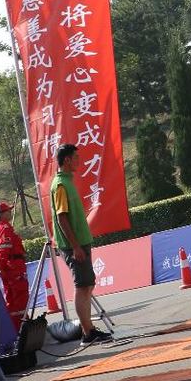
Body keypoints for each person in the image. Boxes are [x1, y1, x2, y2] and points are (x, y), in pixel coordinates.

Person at [50, 144, 112, 348]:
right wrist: (75, 246)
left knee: (88, 285)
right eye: (76, 157)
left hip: (81, 242)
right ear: (67, 160)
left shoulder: (67, 182)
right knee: (82, 286)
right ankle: (88, 333)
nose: (79, 160)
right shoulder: (60, 184)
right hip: (73, 245)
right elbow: (62, 218)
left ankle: (89, 330)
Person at [0, 201, 29, 330]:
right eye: (8, 210)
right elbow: (4, 251)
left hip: (9, 269)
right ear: (1, 214)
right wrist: (8, 268)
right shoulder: (5, 228)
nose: (10, 212)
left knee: (12, 300)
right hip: (14, 269)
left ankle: (16, 326)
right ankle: (23, 326)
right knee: (20, 297)